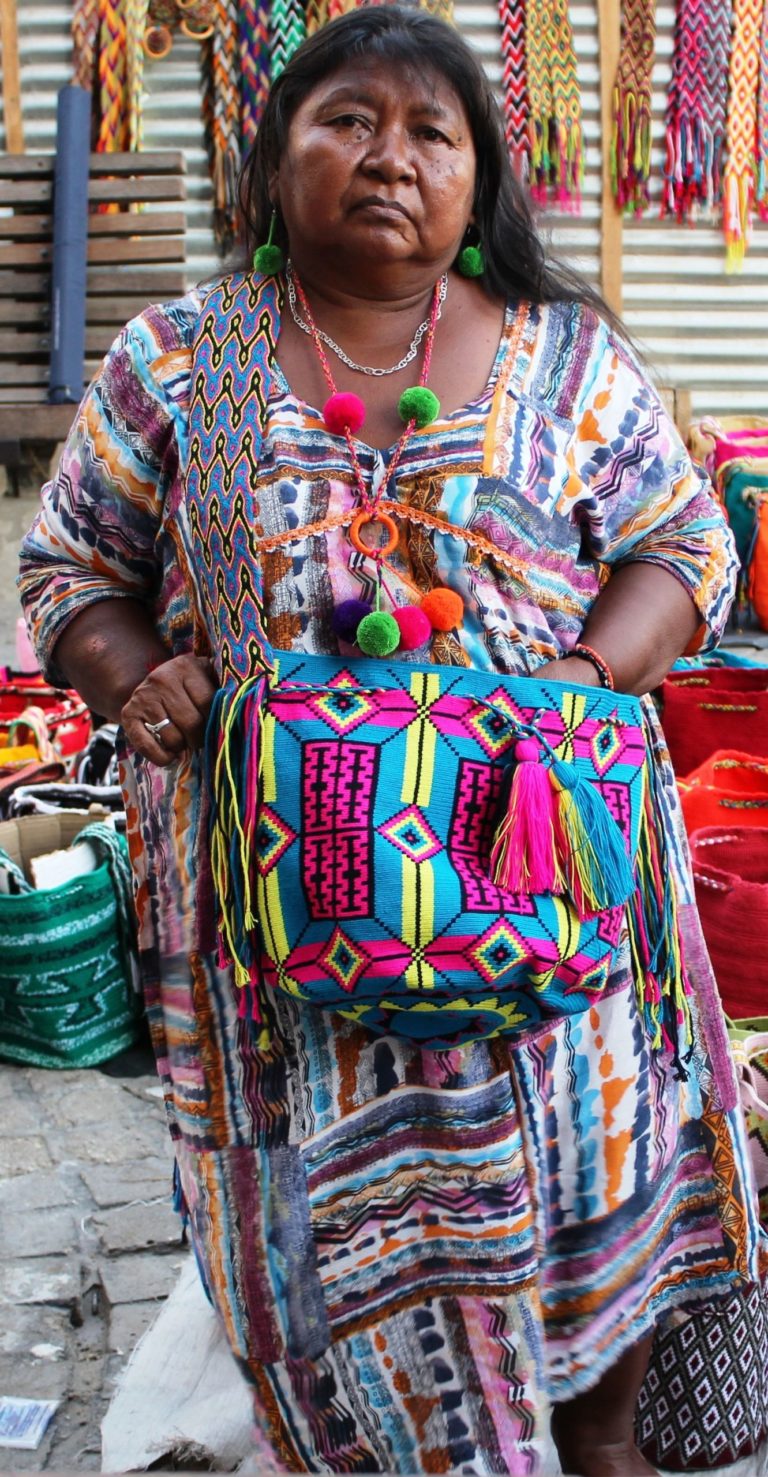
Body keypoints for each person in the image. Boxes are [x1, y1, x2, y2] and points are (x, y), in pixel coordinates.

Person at [19, 9, 762, 1474]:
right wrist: (135, 674)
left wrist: (577, 671)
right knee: (321, 1242)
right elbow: (67, 570)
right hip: (277, 949)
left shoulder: (568, 360)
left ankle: (597, 1449)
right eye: (347, 120)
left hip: (553, 891)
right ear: (275, 152)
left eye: (433, 132)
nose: (389, 156)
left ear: (479, 176)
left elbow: (685, 546)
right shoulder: (177, 359)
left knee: (590, 1173)